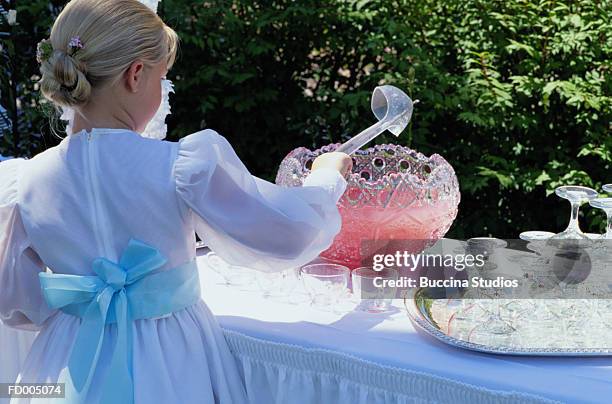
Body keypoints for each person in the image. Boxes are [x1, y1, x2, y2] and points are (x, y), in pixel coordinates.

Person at [0, 0, 352, 403]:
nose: (161, 91)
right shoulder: (180, 166)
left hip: (67, 358)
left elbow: (16, 303)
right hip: (169, 354)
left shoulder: (23, 182)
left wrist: (81, 308)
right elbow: (287, 234)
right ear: (136, 75)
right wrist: (326, 180)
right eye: (161, 79)